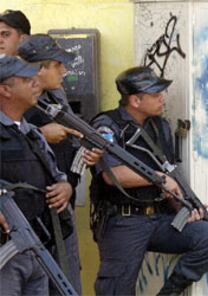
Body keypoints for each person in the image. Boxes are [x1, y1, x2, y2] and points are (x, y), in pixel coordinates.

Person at [90, 66, 208, 296]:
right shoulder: (107, 126)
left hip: (159, 217)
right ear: (135, 100)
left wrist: (185, 208)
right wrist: (158, 179)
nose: (161, 98)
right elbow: (113, 176)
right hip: (124, 221)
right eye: (155, 95)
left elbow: (170, 175)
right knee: (116, 290)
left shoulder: (159, 126)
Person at [17, 33, 101, 294]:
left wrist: (79, 171)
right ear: (39, 69)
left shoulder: (54, 99)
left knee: (66, 284)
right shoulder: (14, 103)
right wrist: (42, 133)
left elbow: (73, 148)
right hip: (26, 217)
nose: (64, 70)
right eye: (57, 65)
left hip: (60, 212)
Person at [0, 54, 73, 295]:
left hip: (36, 243)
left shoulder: (31, 133)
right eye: (27, 80)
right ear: (5, 90)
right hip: (6, 251)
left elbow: (55, 175)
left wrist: (65, 187)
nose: (35, 84)